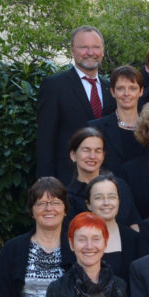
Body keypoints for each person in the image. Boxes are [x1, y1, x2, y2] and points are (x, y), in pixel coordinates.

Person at [36, 26, 114, 183]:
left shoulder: (111, 88)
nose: (90, 52)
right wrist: (46, 183)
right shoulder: (54, 86)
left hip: (106, 181)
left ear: (103, 51)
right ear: (72, 50)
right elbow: (45, 140)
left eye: (96, 47)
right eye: (84, 47)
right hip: (67, 180)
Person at [64, 127, 140, 227]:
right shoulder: (67, 198)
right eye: (86, 150)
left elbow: (135, 223)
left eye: (98, 151)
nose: (92, 156)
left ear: (103, 156)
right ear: (73, 155)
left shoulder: (120, 186)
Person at [83, 173, 141, 283]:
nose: (106, 202)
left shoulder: (133, 238)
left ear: (119, 201)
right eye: (98, 197)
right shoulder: (78, 239)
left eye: (112, 197)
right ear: (88, 204)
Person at [94, 65, 146, 176]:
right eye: (120, 88)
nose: (126, 93)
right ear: (112, 92)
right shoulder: (97, 128)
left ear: (141, 91)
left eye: (132, 88)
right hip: (108, 190)